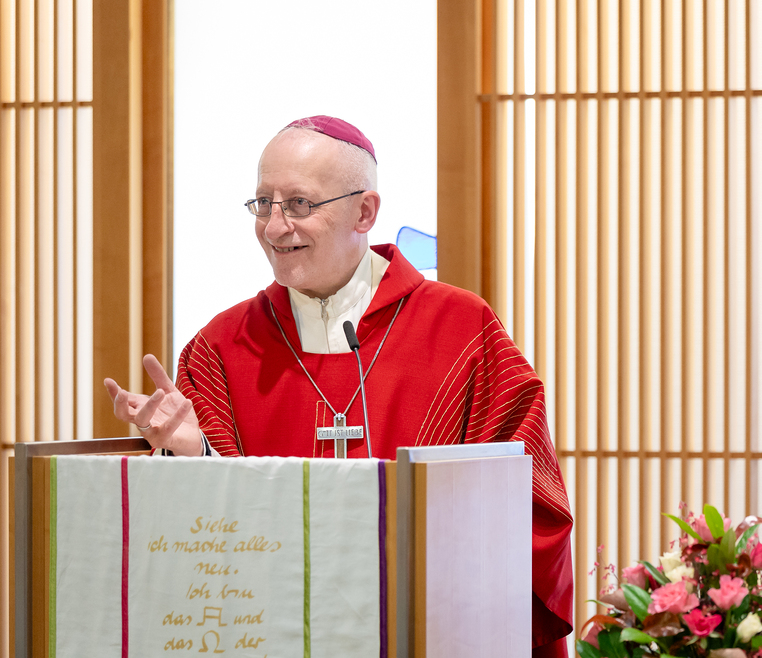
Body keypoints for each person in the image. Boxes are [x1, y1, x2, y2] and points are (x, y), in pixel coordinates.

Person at [104, 116, 574, 657]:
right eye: (263, 203)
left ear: (365, 212)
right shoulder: (222, 347)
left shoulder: (462, 330)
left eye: (299, 204)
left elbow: (527, 500)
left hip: (427, 630)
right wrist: (192, 455)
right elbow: (201, 544)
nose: (274, 227)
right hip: (272, 635)